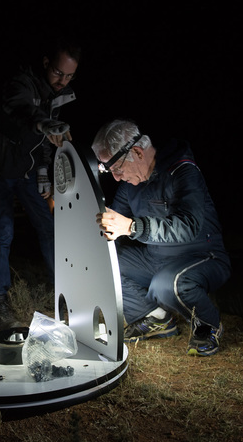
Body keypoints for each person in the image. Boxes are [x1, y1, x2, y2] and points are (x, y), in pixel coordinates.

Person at [93, 119, 231, 356]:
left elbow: (188, 226)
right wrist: (104, 229)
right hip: (155, 259)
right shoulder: (130, 184)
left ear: (137, 152)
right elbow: (118, 223)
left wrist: (132, 226)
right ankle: (155, 318)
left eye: (117, 169)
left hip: (201, 257)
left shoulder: (183, 171)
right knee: (105, 260)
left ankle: (208, 325)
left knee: (166, 285)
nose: (115, 177)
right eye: (109, 170)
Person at [0, 37, 81, 329]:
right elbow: (20, 109)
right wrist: (43, 123)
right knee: (3, 231)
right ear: (46, 63)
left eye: (70, 76)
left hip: (26, 173)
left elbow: (46, 141)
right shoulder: (21, 82)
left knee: (48, 228)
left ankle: (64, 292)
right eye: (58, 73)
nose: (63, 81)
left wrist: (44, 171)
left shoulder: (59, 95)